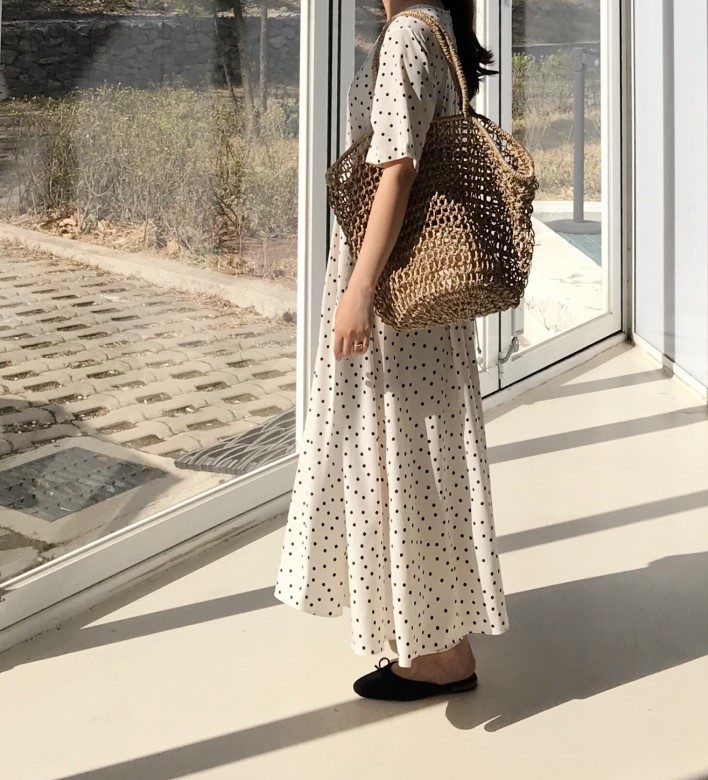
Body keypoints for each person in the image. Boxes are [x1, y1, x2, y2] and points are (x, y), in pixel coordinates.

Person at [274, 0, 509, 702]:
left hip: (394, 277)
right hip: (426, 279)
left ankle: (441, 654)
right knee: (420, 453)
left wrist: (359, 287)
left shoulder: (407, 33)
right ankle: (439, 639)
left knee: (398, 450)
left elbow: (399, 169)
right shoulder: (435, 25)